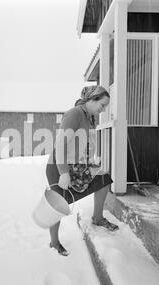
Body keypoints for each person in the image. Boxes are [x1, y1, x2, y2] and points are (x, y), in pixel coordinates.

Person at [46, 85, 119, 256]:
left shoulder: (90, 117)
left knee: (103, 179)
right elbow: (61, 144)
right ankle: (54, 242)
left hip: (78, 165)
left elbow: (84, 143)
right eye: (103, 105)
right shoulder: (75, 114)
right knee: (58, 204)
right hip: (59, 166)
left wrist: (89, 160)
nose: (104, 109)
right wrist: (63, 172)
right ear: (93, 100)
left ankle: (98, 218)